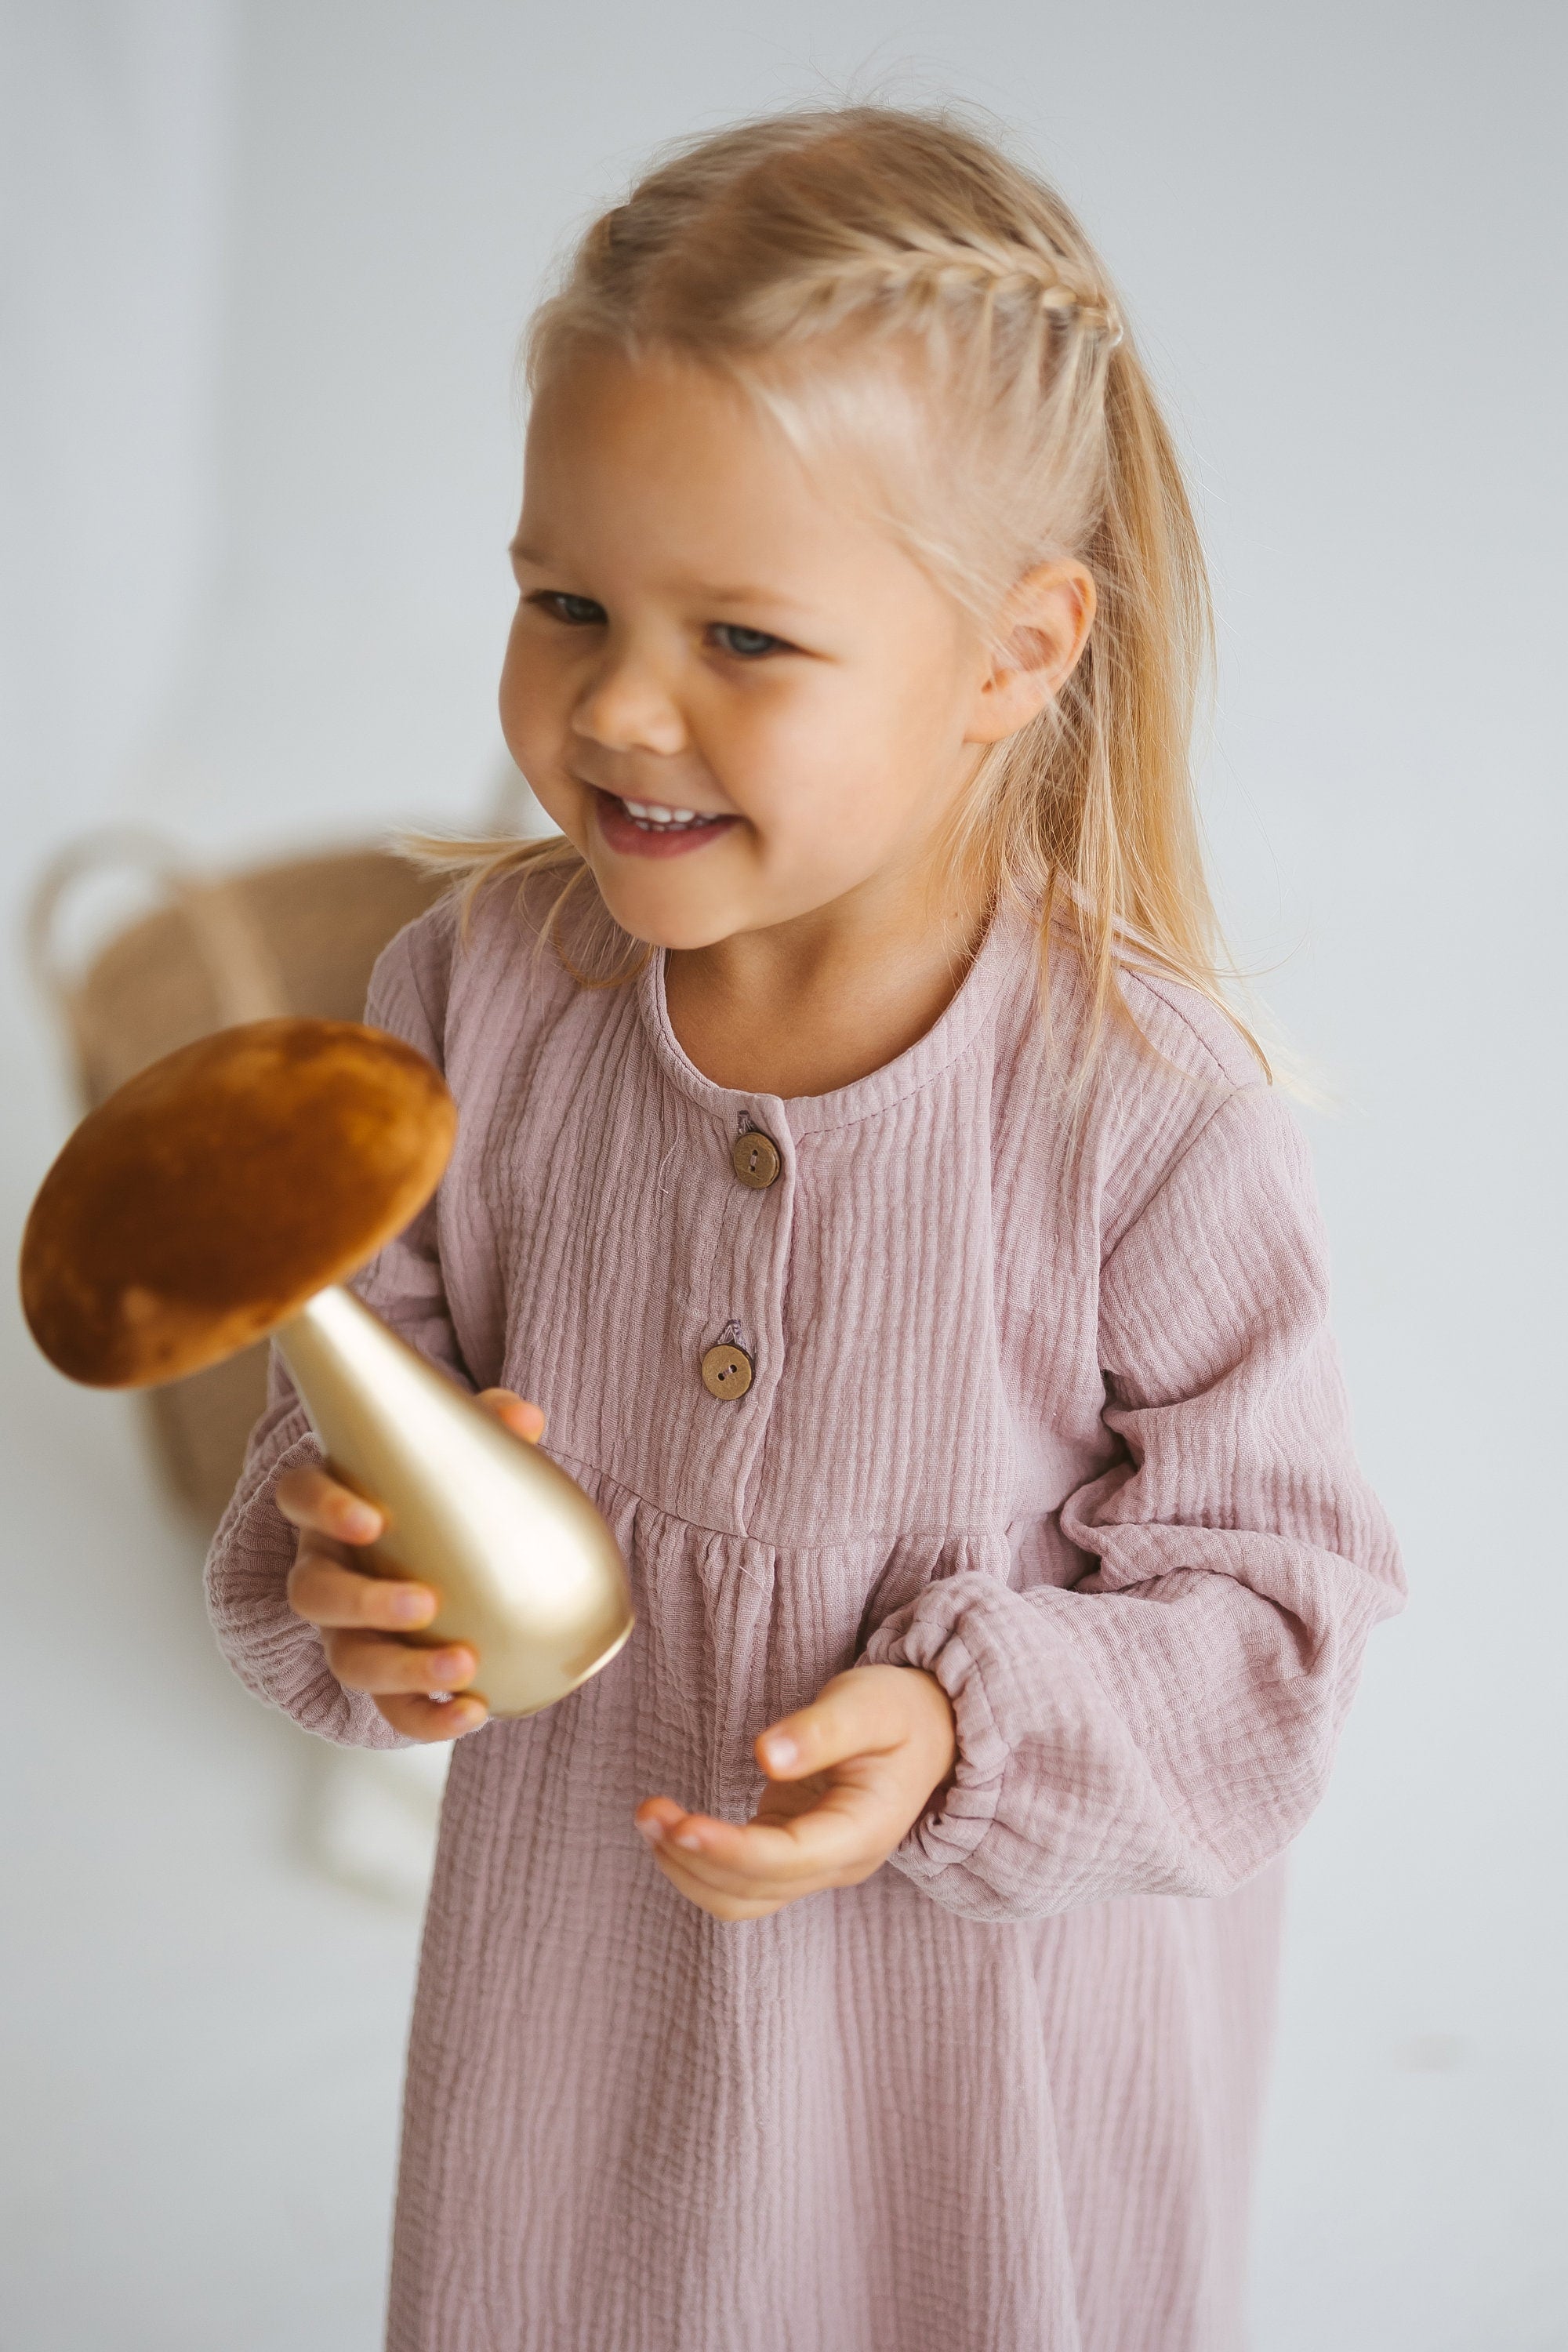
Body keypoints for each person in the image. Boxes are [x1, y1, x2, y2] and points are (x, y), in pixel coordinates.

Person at [206, 103, 1403, 2352]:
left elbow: (1280, 1623)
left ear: (1012, 656)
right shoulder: (473, 1000)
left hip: (985, 2031)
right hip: (592, 1978)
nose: (616, 705)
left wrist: (972, 1731)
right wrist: (341, 1564)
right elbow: (356, 1366)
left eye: (742, 637)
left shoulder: (1140, 1110)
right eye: (564, 599)